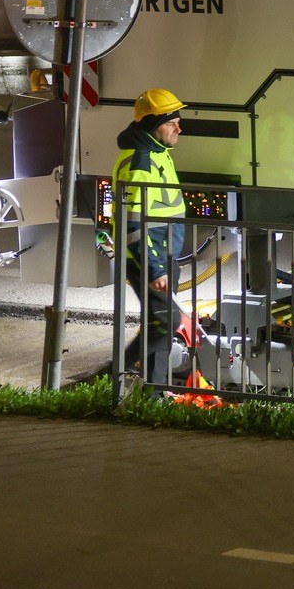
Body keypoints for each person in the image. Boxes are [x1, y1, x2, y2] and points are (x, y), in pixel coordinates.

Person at [115, 87, 188, 385]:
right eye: (171, 123)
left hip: (162, 254)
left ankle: (155, 390)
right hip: (149, 258)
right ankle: (114, 374)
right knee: (166, 321)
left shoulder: (159, 153)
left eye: (178, 122)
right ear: (151, 124)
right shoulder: (141, 162)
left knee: (161, 323)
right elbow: (134, 225)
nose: (178, 129)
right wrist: (154, 268)